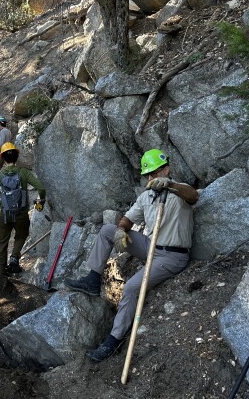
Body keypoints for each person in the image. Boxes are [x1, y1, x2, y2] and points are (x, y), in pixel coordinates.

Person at [64, 149, 199, 362]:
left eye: (156, 173)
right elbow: (128, 219)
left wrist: (169, 185)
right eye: (149, 174)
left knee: (131, 287)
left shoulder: (180, 193)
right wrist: (121, 230)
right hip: (150, 246)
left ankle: (114, 339)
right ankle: (92, 279)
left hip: (172, 256)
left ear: (166, 169)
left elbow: (194, 196)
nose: (152, 178)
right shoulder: (146, 196)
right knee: (107, 230)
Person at [0, 142, 46, 275]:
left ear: (3, 158)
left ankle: (1, 269)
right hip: (21, 214)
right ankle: (14, 257)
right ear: (16, 156)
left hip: (4, 215)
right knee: (21, 235)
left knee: (2, 242)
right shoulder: (23, 173)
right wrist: (40, 204)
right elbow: (41, 188)